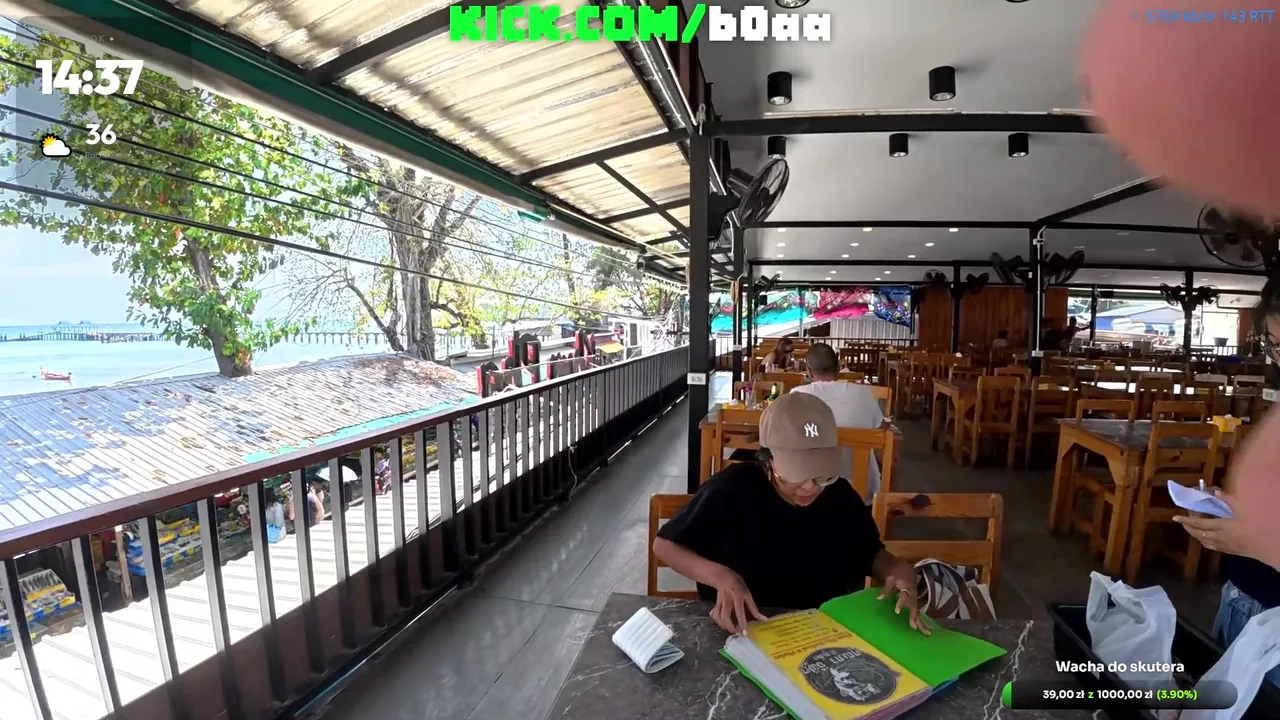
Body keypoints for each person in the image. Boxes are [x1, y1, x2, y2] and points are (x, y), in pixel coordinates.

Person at [653, 392, 926, 635]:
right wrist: (721, 576)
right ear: (767, 459)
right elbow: (665, 545)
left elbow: (869, 552)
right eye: (795, 475)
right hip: (742, 629)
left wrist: (897, 569)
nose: (810, 487)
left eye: (821, 475)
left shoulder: (840, 496)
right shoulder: (732, 489)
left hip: (822, 632)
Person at [789, 343, 887, 500]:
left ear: (808, 371)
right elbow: (883, 432)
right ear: (839, 368)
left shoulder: (796, 396)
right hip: (861, 495)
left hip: (811, 494)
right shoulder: (864, 394)